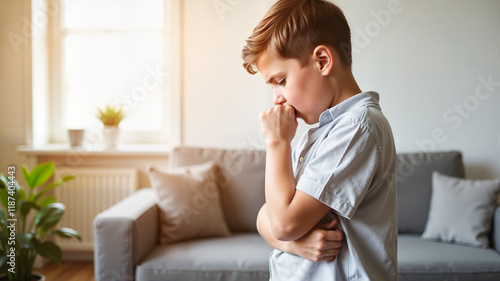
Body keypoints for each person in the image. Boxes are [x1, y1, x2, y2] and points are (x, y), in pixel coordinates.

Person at [241, 0, 398, 280]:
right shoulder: (321, 133)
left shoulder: (356, 128)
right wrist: (295, 244)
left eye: (281, 80)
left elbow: (283, 222)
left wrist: (277, 143)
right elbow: (266, 217)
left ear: (322, 61)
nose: (276, 98)